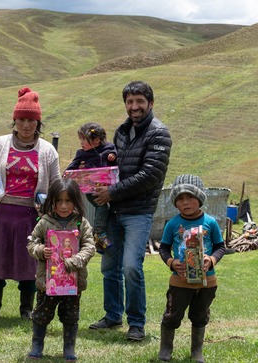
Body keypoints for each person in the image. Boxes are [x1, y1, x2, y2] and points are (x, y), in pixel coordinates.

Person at [89, 80, 172, 341]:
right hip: (113, 211)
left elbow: (150, 175)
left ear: (150, 103)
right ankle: (113, 316)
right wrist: (94, 183)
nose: (134, 107)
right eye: (130, 102)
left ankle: (136, 323)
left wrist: (111, 192)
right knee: (109, 266)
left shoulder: (160, 133)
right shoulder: (121, 132)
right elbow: (113, 170)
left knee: (131, 267)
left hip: (138, 212)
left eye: (139, 102)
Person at [0, 86, 61, 320]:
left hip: (31, 216)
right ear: (14, 120)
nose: (26, 125)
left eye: (31, 120)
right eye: (21, 119)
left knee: (29, 264)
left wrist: (53, 209)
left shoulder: (48, 151)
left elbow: (56, 184)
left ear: (38, 122)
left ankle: (27, 309)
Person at [25, 178, 96, 361]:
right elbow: (31, 243)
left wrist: (76, 260)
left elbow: (90, 247)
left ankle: (69, 348)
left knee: (71, 316)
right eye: (59, 201)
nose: (63, 206)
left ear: (76, 201)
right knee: (41, 314)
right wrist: (41, 251)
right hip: (48, 282)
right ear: (52, 202)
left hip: (73, 283)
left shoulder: (81, 223)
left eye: (68, 201)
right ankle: (37, 345)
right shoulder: (44, 222)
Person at [158, 174, 225, 363]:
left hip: (207, 281)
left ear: (200, 198)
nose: (185, 202)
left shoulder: (210, 223)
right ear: (175, 203)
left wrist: (211, 260)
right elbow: (163, 248)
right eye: (180, 199)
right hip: (180, 281)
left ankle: (197, 351)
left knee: (200, 315)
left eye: (190, 197)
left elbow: (221, 247)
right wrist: (171, 262)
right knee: (172, 315)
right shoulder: (172, 224)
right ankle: (165, 349)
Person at [65, 122, 117, 254]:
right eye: (80, 139)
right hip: (90, 190)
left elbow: (114, 154)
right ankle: (99, 234)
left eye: (84, 139)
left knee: (109, 210)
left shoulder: (108, 148)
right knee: (103, 207)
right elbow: (72, 166)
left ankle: (99, 244)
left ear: (96, 140)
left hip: (107, 189)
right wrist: (67, 173)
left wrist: (113, 156)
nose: (81, 142)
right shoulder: (81, 154)